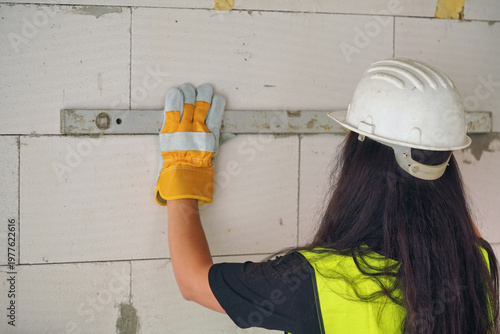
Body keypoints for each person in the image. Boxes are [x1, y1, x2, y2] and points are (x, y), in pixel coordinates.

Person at [155, 58, 499, 333]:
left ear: (359, 163)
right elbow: (435, 197)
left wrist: (184, 170)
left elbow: (193, 281)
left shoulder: (318, 281)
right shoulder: (475, 264)